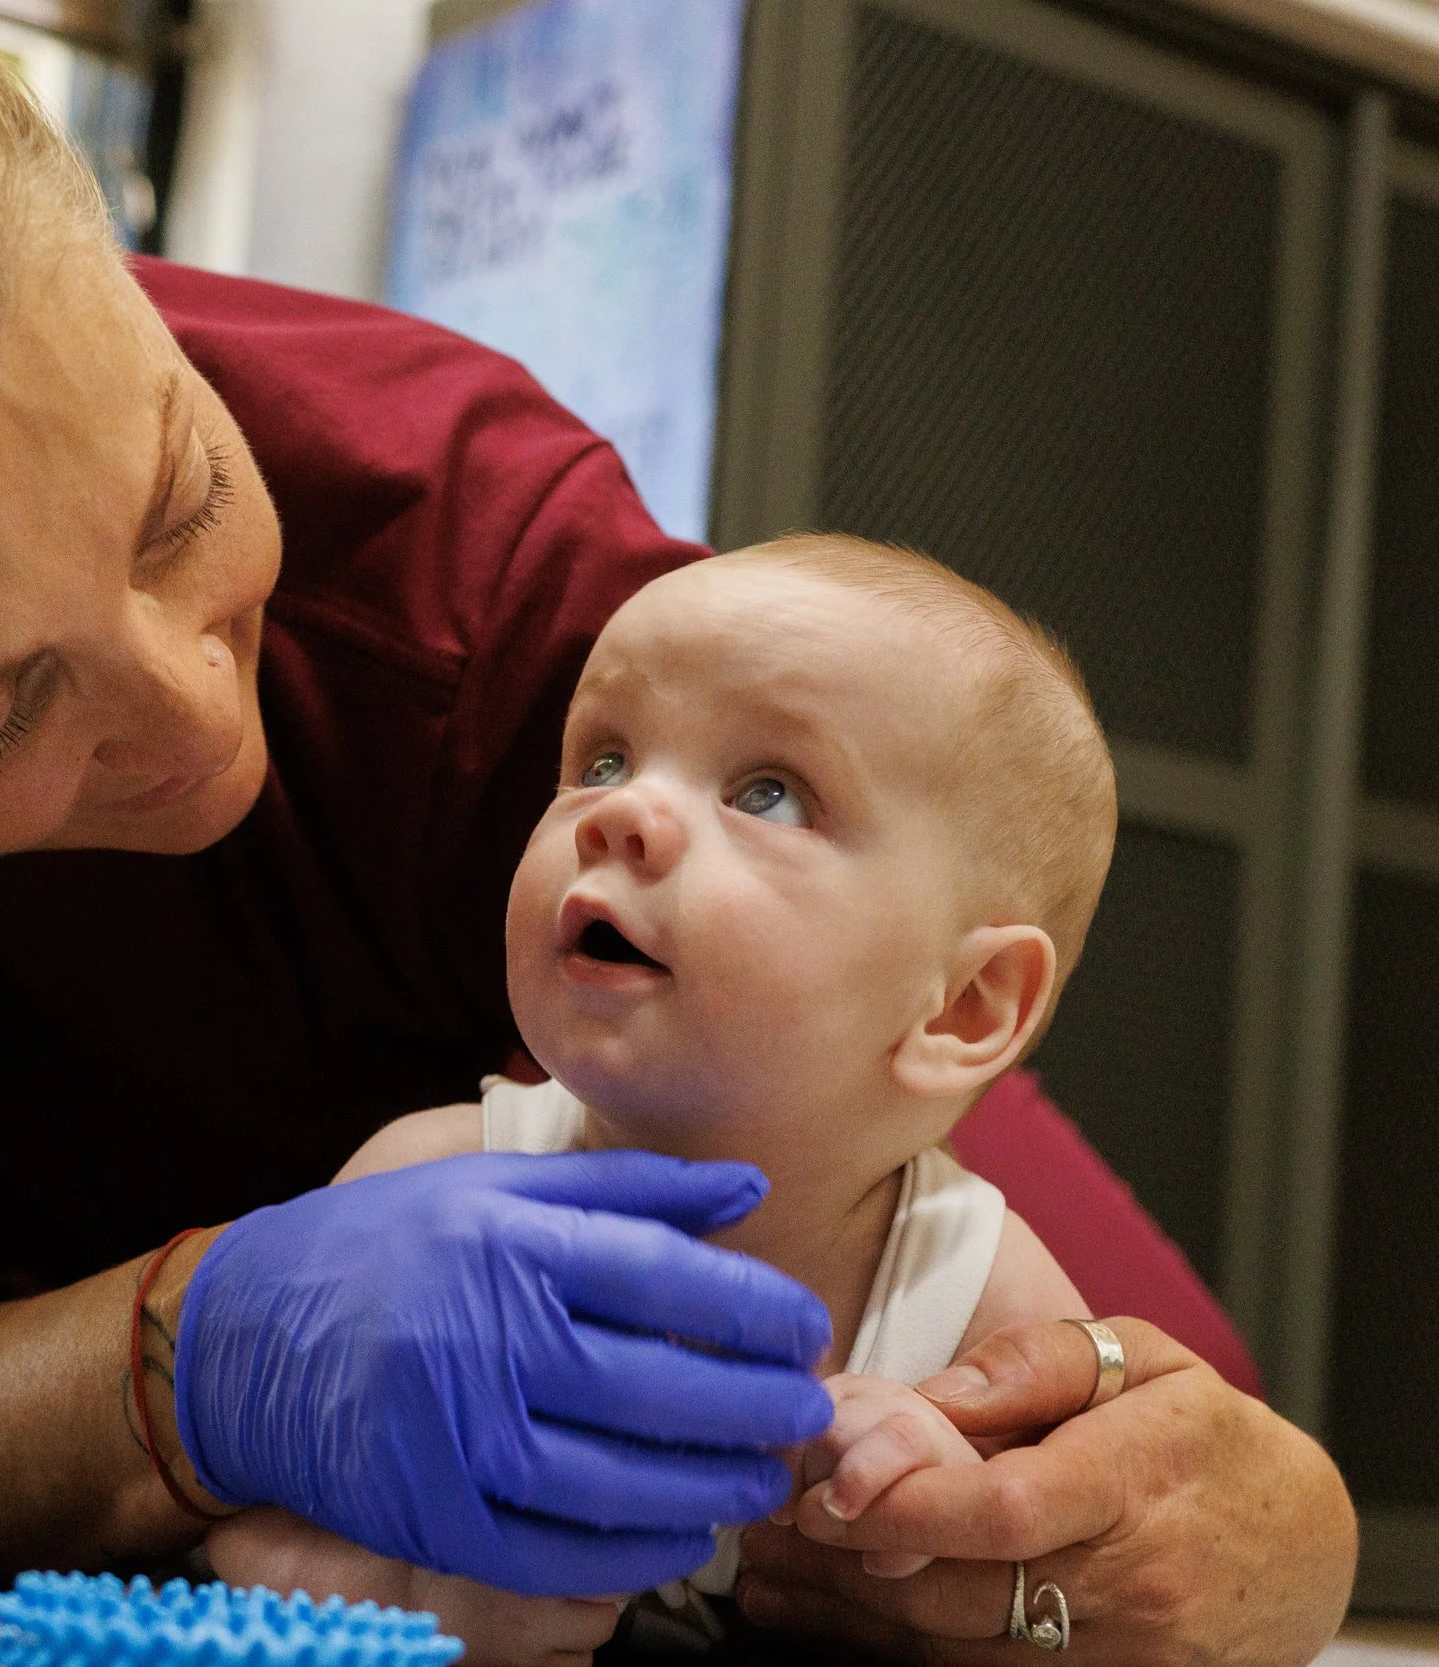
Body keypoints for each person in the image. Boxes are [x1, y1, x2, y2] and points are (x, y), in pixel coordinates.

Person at [0, 0, 1355, 1658]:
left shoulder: (489, 578)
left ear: (131, 278)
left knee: (1147, 1483)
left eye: (178, 500)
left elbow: (1134, 1432)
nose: (188, 711)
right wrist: (207, 1350)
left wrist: (1217, 1534)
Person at [203, 538, 1122, 1664]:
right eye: (601, 759)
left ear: (963, 1007)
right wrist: (405, 1594)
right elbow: (236, 1534)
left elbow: (1091, 1617)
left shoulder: (980, 1299)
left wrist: (944, 1529)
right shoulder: (428, 1181)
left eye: (767, 793)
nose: (621, 811)